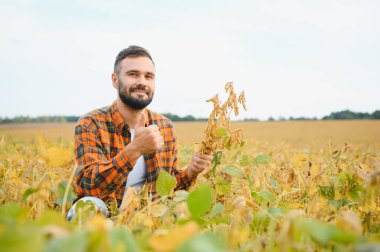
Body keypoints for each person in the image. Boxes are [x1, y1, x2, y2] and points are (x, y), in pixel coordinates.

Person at [67, 45, 212, 221]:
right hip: (105, 221)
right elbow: (88, 186)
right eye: (133, 74)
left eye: (148, 76)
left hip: (147, 219)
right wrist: (135, 149)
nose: (142, 82)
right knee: (86, 207)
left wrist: (191, 172)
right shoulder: (91, 123)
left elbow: (167, 189)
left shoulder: (164, 126)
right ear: (115, 80)